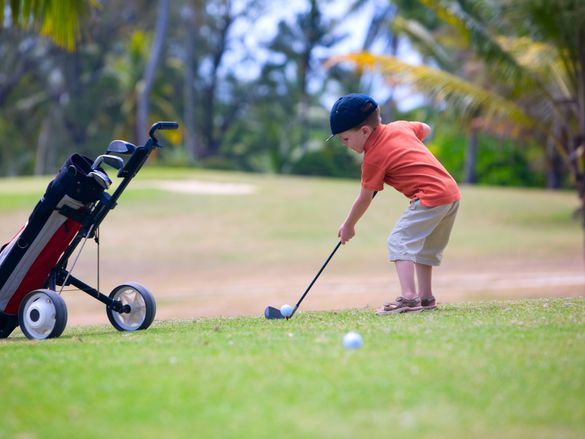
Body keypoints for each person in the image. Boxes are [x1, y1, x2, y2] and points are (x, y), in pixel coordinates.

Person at [328, 93, 461, 314]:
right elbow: (425, 128)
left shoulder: (373, 158)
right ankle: (426, 298)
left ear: (364, 131)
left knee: (399, 242)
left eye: (345, 139)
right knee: (425, 248)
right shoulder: (400, 127)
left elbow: (364, 198)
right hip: (450, 194)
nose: (344, 144)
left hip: (429, 196)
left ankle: (409, 299)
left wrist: (349, 225)